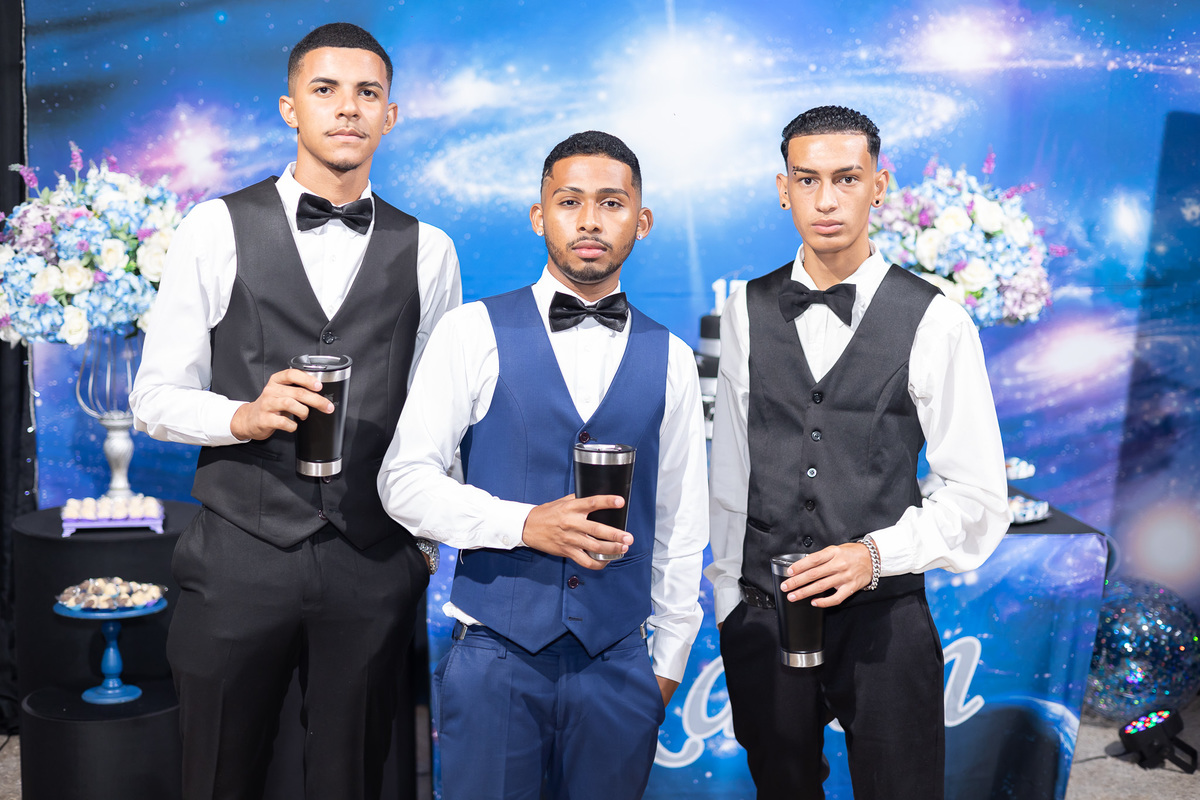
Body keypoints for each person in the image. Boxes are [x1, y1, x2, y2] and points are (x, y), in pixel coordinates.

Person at [130, 22, 460, 800]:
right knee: (218, 775)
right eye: (325, 89)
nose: (347, 108)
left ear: (390, 115)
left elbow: (438, 421)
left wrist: (419, 549)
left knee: (358, 779)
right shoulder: (215, 226)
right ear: (290, 108)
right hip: (238, 551)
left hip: (372, 559)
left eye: (367, 93)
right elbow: (154, 398)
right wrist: (242, 417)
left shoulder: (431, 249)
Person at [378, 130, 708, 799]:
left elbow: (680, 524)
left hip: (620, 666)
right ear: (539, 215)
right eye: (569, 201)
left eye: (611, 203)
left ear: (641, 221)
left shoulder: (672, 356)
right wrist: (525, 524)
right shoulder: (470, 331)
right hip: (493, 659)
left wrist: (665, 666)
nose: (589, 220)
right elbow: (402, 482)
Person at [706, 105, 1010, 800]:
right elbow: (732, 471)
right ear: (783, 188)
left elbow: (977, 496)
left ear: (879, 185)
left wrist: (873, 555)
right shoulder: (746, 308)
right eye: (807, 180)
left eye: (847, 178)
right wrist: (729, 599)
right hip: (763, 613)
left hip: (885, 618)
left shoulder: (936, 320)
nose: (826, 200)